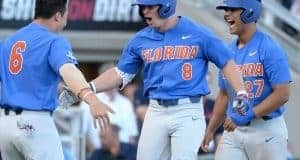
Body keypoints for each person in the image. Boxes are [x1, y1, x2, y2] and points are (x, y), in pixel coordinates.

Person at [60, 0, 248, 159]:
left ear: (166, 5)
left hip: (187, 110)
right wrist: (87, 88)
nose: (144, 11)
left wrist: (241, 92)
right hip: (156, 110)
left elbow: (228, 63)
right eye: (142, 7)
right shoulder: (140, 39)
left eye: (149, 6)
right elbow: (120, 74)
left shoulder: (199, 33)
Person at [0, 0, 113, 159]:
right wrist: (92, 99)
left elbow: (24, 78)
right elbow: (68, 70)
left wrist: (58, 89)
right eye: (66, 12)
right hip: (35, 123)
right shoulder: (54, 40)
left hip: (5, 125)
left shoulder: (8, 42)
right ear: (58, 16)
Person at [201, 0, 292, 160]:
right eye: (226, 10)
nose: (227, 14)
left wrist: (247, 114)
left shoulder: (270, 47)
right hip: (234, 130)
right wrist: (210, 129)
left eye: (232, 9)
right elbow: (224, 94)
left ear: (250, 11)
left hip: (266, 130)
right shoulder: (228, 51)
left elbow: (282, 94)